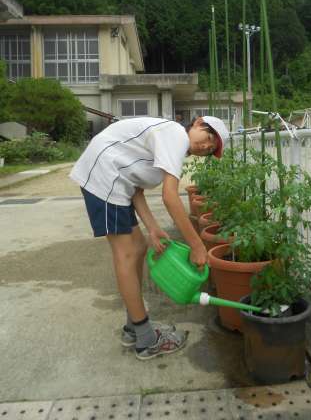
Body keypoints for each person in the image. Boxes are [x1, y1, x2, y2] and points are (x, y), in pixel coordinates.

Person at [70, 115, 229, 360]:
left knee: (139, 247)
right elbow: (170, 197)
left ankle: (134, 327)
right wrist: (197, 246)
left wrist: (152, 228)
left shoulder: (170, 145)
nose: (206, 146)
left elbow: (136, 189)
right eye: (209, 137)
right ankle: (146, 340)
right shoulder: (176, 135)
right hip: (105, 175)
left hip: (113, 179)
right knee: (127, 254)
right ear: (197, 123)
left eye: (211, 149)